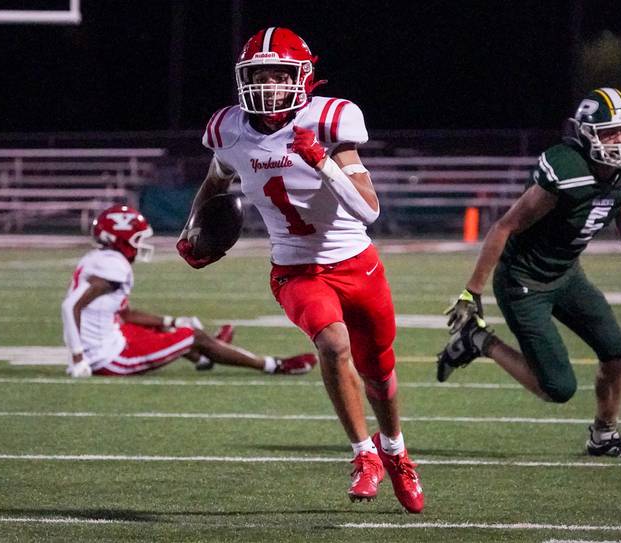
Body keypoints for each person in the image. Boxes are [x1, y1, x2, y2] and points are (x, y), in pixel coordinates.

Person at [176, 27, 424, 512]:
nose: (268, 85)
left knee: (380, 373)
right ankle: (363, 455)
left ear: (302, 78)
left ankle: (394, 450)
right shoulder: (227, 129)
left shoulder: (331, 119)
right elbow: (215, 182)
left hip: (357, 263)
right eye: (258, 76)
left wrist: (322, 161)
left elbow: (369, 211)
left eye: (278, 75)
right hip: (295, 268)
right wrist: (191, 231)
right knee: (332, 343)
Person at [438, 87, 621, 457]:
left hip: (567, 275)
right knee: (558, 388)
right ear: (587, 134)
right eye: (612, 132)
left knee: (616, 351)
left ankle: (604, 435)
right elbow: (504, 227)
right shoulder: (567, 170)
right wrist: (472, 292)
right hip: (523, 283)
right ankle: (479, 341)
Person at [61, 204, 317, 378]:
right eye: (136, 239)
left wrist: (171, 322)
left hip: (108, 340)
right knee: (193, 336)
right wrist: (77, 359)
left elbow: (124, 314)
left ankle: (206, 355)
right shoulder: (114, 266)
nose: (140, 245)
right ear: (120, 239)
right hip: (108, 358)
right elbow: (70, 306)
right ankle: (273, 365)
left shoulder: (97, 258)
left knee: (171, 329)